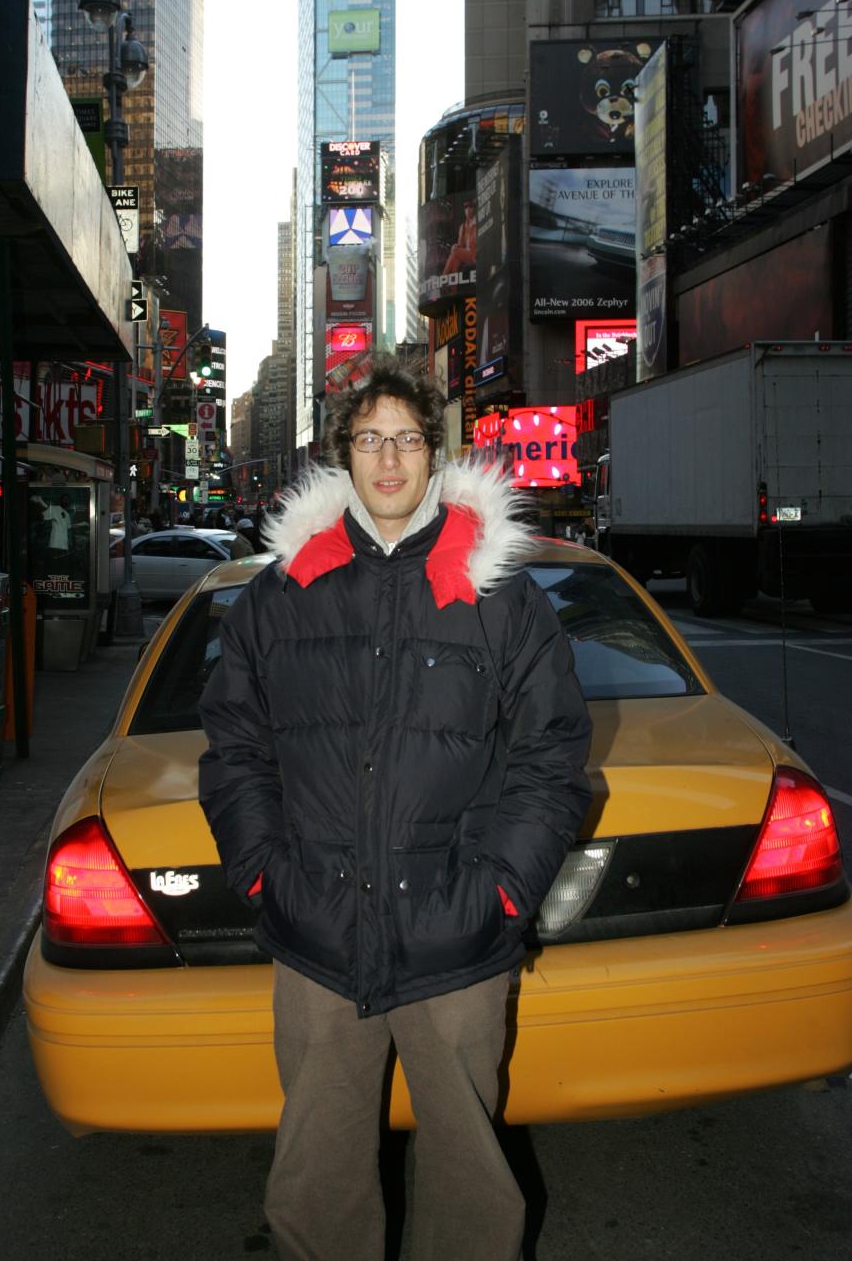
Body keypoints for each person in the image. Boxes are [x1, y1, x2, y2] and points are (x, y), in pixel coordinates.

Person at [198, 356, 592, 1261]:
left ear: (434, 454)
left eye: (407, 439)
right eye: (370, 438)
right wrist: (264, 872)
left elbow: (552, 757)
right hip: (316, 936)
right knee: (316, 1177)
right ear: (343, 453)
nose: (388, 459)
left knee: (470, 1179)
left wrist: (498, 892)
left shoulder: (497, 595)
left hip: (457, 939)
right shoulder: (281, 594)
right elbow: (235, 749)